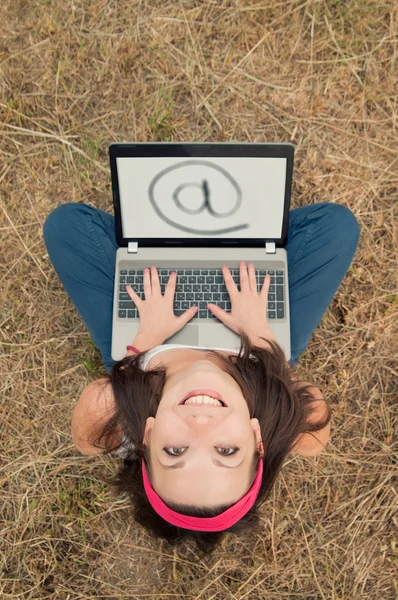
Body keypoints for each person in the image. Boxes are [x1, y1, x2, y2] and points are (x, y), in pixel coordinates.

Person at [43, 201, 360, 553]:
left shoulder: (108, 408)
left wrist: (143, 347)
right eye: (226, 450)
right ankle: (234, 233)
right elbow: (313, 438)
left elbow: (86, 442)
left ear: (147, 435)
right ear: (257, 438)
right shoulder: (300, 416)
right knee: (336, 226)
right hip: (256, 344)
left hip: (146, 342)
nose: (201, 424)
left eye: (175, 450)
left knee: (66, 226)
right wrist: (263, 341)